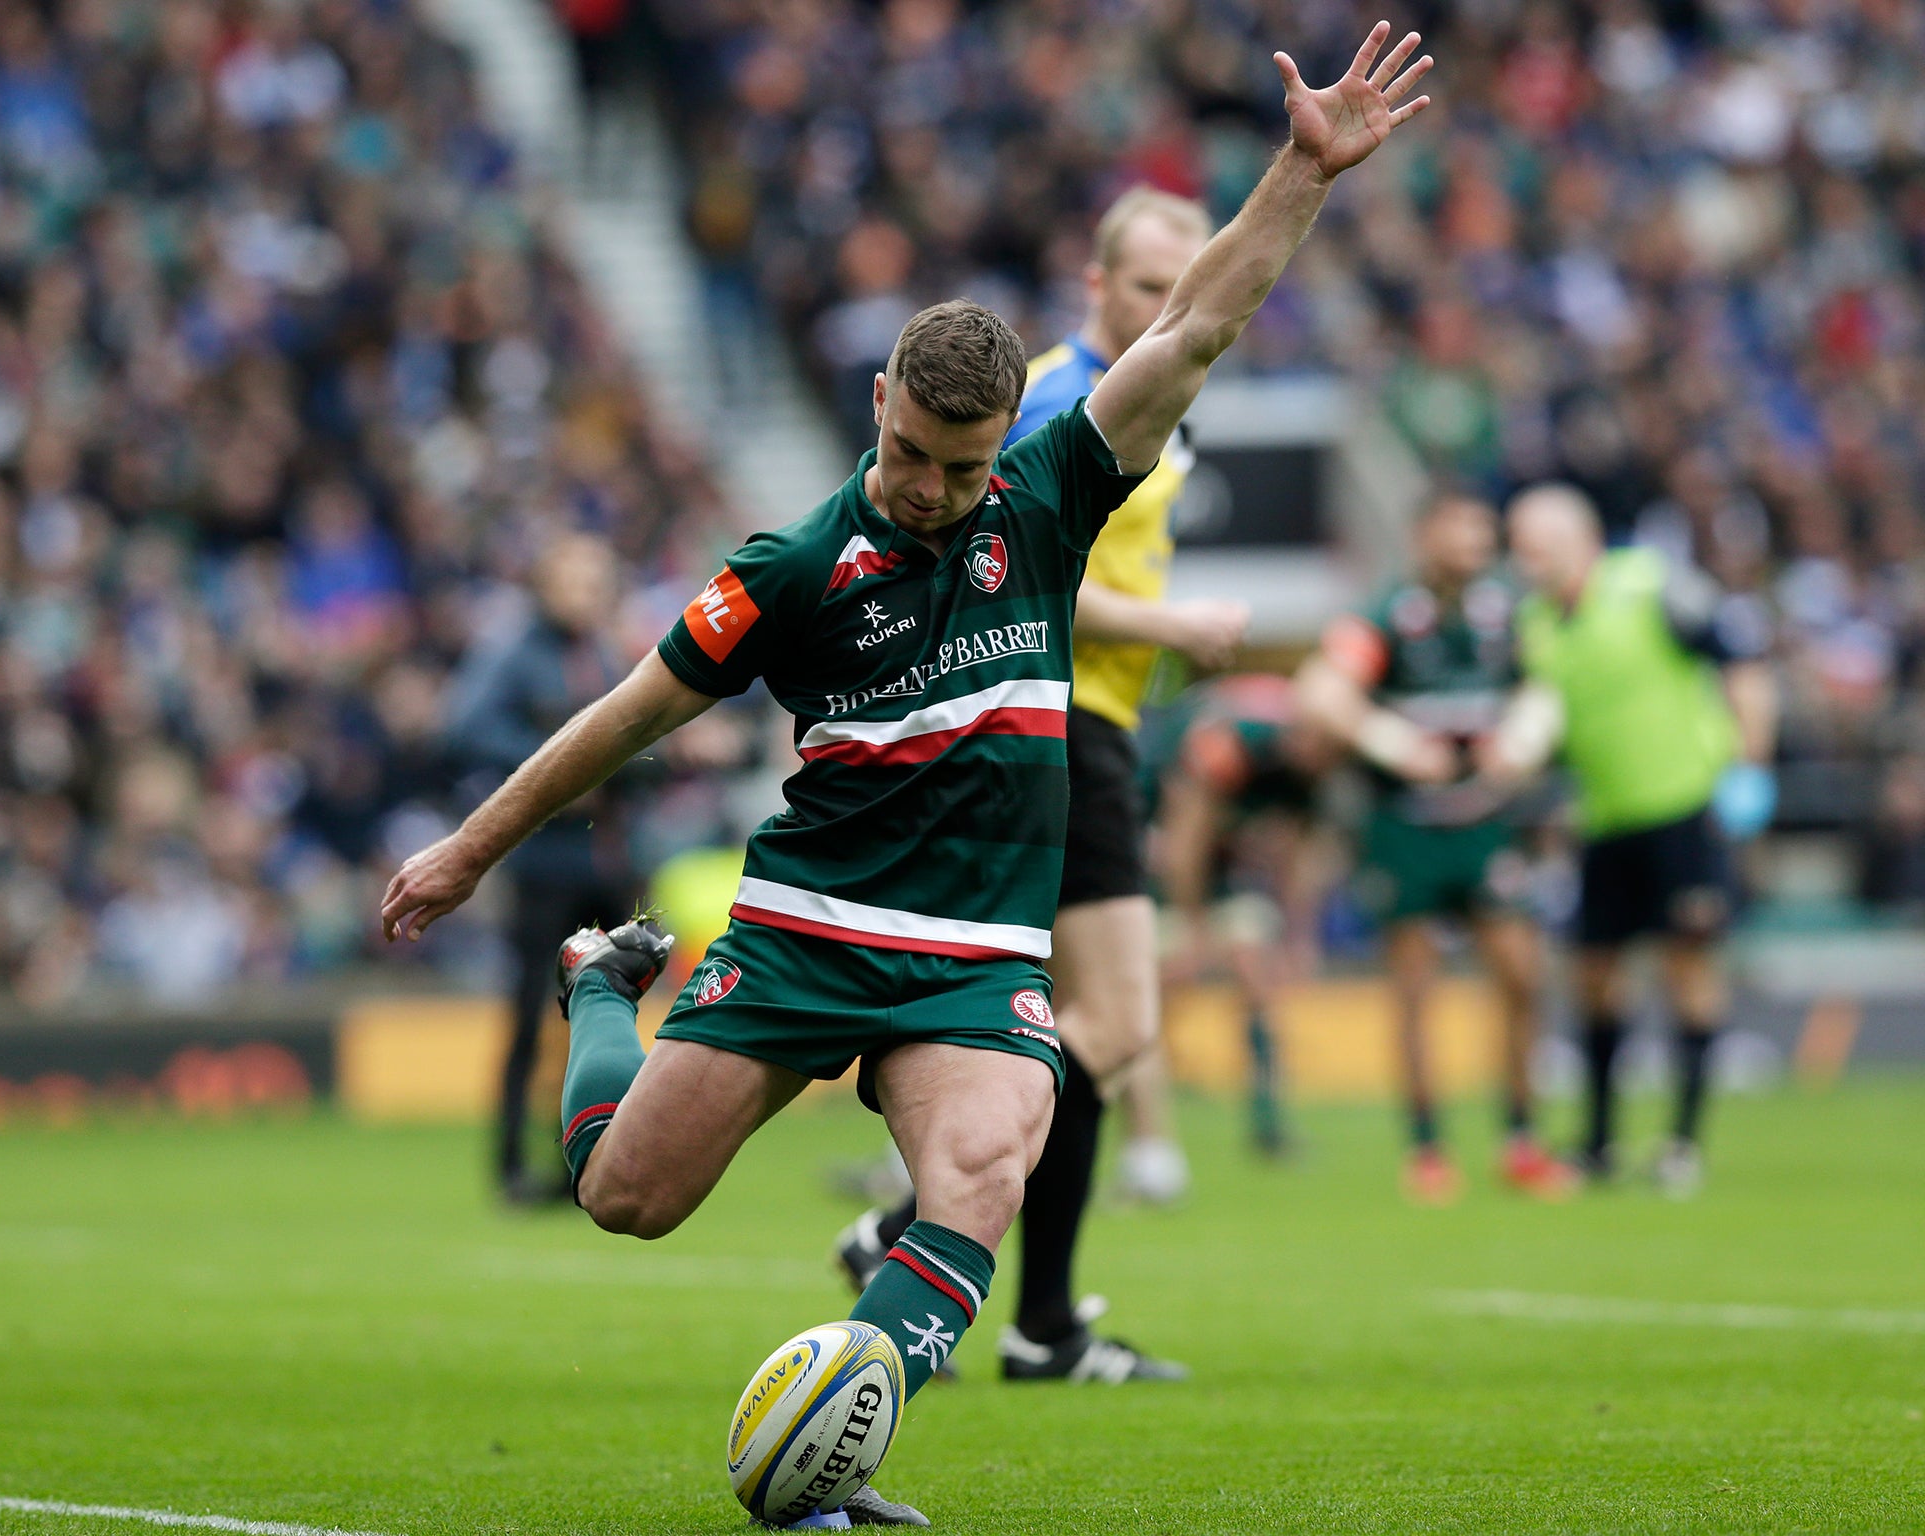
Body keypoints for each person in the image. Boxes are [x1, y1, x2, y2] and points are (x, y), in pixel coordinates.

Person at [380, 27, 1432, 1527]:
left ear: (1009, 436)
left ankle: (829, 1457)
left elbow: (1198, 325)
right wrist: (470, 851)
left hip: (973, 959)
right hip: (811, 928)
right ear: (880, 398)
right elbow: (625, 718)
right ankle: (598, 988)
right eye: (911, 452)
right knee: (625, 1196)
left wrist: (1303, 173)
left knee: (994, 1159)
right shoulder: (794, 565)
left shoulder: (1056, 490)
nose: (932, 489)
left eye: (962, 463)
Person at [830, 185, 1252, 1387]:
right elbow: (1002, 569)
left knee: (1083, 1026)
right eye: (1141, 285)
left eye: (1182, 285)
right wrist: (1171, 622)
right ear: (1092, 285)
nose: (1162, 305)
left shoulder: (1139, 399)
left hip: (1090, 723)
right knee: (1103, 1026)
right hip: (1058, 726)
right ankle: (945, 1248)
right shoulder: (1063, 398)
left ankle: (1023, 1309)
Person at [1295, 493, 1575, 1204]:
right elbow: (1323, 691)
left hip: (1486, 823)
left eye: (1483, 528)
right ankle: (1426, 1149)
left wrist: (1525, 737)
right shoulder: (1389, 613)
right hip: (1407, 827)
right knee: (1416, 991)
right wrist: (1393, 744)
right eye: (1461, 526)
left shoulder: (1507, 610)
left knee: (1522, 976)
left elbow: (1549, 684)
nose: (1476, 539)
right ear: (1425, 535)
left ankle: (1521, 1139)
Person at [1502, 484, 1776, 1197]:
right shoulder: (1535, 621)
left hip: (1683, 808)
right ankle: (1598, 1145)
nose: (1522, 558)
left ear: (1577, 536)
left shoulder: (1652, 584)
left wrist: (1750, 767)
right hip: (1604, 819)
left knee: (1688, 971)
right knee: (1594, 976)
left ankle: (1683, 1144)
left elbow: (1742, 663)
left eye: (1532, 542)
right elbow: (1549, 713)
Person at [443, 533, 636, 1204]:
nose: (588, 593)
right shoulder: (515, 652)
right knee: (531, 1014)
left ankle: (591, 1159)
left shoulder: (603, 651)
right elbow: (464, 727)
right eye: (576, 581)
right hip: (547, 861)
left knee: (609, 1012)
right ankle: (510, 1165)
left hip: (608, 858)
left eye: (597, 580)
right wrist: (555, 763)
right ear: (544, 586)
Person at [1153, 674, 1338, 1162]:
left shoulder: (1312, 771)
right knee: (1147, 995)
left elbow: (1296, 853)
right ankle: (1141, 1136)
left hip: (1223, 865)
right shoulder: (1229, 744)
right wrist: (1191, 926)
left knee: (1257, 973)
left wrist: (1300, 934)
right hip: (1154, 857)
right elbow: (1183, 840)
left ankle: (1267, 1122)